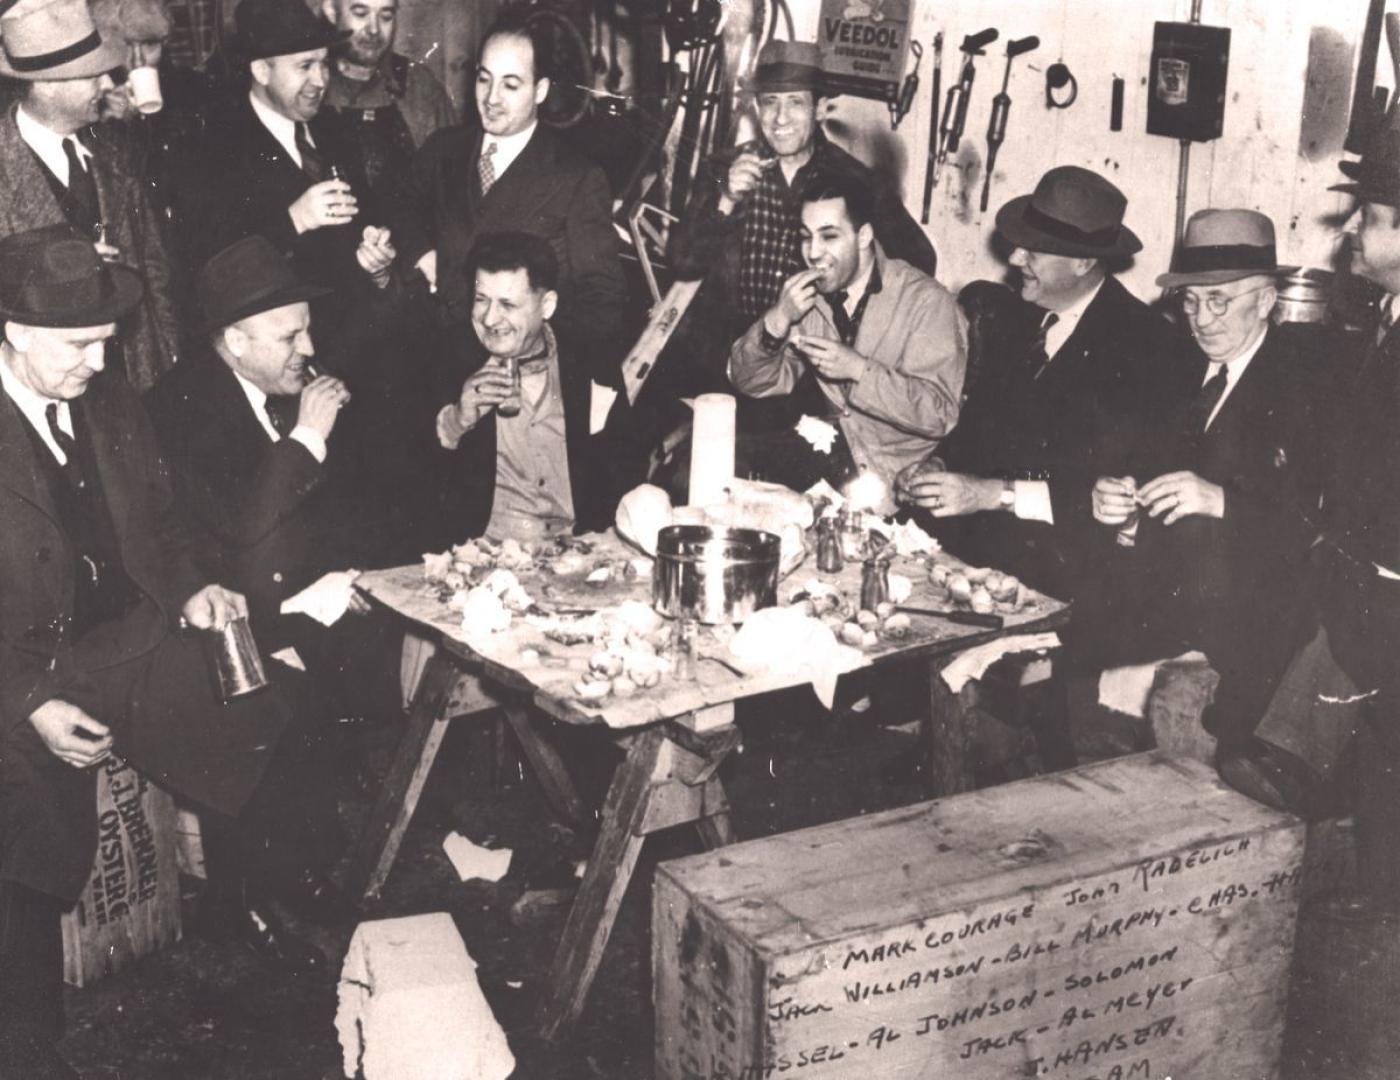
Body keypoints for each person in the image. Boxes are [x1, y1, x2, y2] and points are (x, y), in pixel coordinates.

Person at [0, 226, 338, 1078]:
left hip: (128, 635)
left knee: (260, 701)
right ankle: (27, 1040)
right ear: (15, 333)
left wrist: (192, 587)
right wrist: (30, 702)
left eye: (105, 342)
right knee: (22, 829)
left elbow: (161, 523)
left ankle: (248, 904)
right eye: (79, 346)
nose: (97, 362)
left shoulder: (108, 399)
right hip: (21, 669)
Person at [1089, 209, 1325, 758]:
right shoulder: (1173, 371)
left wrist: (1221, 501)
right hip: (1161, 607)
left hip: (1250, 631)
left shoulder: (1307, 386)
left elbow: (1318, 527)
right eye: (1190, 301)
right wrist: (1119, 509)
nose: (1202, 319)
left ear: (1266, 301)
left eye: (1219, 300)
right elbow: (1140, 473)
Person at [147, 235, 401, 730]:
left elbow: (348, 498)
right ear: (237, 342)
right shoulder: (182, 410)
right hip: (241, 633)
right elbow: (241, 524)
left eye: (307, 329)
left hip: (314, 602)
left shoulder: (279, 382)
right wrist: (307, 438)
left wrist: (346, 573)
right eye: (290, 338)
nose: (309, 348)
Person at [897, 166, 1169, 603]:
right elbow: (976, 425)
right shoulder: (1017, 317)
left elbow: (1106, 490)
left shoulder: (1145, 346)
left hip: (1065, 567)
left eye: (1033, 252)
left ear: (1083, 262)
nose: (1014, 259)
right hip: (982, 546)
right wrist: (937, 464)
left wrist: (992, 494)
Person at [669, 39, 936, 407]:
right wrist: (725, 199)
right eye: (770, 102)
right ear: (756, 108)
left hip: (804, 366)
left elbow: (920, 260)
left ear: (820, 108)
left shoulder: (853, 179)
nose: (781, 118)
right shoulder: (723, 169)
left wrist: (854, 324)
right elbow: (682, 262)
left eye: (795, 102)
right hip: (725, 354)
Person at [393, 9, 627, 392]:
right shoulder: (444, 150)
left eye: (511, 85)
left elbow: (601, 300)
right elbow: (397, 199)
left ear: (540, 91)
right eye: (484, 79)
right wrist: (422, 253)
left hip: (522, 382)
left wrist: (537, 357)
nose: (491, 98)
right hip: (437, 370)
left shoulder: (577, 176)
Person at [728, 171, 964, 514]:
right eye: (805, 237)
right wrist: (778, 319)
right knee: (720, 470)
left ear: (864, 235)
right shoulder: (812, 297)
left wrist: (858, 370)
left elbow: (939, 413)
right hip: (839, 454)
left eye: (829, 236)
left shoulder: (927, 302)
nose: (813, 253)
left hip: (899, 481)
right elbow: (750, 382)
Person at [0, 0, 180, 393]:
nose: (108, 85)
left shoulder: (116, 152)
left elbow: (155, 274)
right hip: (44, 387)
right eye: (93, 76)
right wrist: (57, 267)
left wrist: (168, 364)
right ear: (48, 84)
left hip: (133, 381)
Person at [434, 231, 621, 541]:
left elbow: (623, 465)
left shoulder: (590, 361)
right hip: (485, 550)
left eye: (507, 304)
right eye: (481, 300)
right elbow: (410, 486)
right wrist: (457, 420)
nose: (490, 319)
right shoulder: (447, 360)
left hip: (575, 548)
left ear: (547, 305)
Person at [319, 0, 456, 200]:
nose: (374, 29)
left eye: (386, 16)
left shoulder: (419, 86)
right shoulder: (309, 84)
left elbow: (451, 183)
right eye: (360, 13)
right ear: (331, 11)